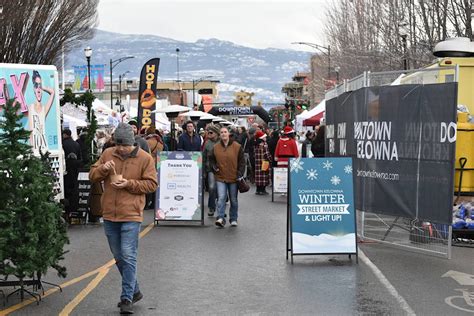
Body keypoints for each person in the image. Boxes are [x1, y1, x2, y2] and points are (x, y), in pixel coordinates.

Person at [89, 123, 158, 314]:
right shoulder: (107, 154)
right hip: (110, 213)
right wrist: (103, 168)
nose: (120, 148)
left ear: (132, 143)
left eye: (124, 145)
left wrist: (128, 184)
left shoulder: (144, 158)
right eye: (117, 144)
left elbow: (152, 184)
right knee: (118, 256)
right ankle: (135, 290)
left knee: (128, 255)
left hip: (131, 213)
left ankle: (126, 297)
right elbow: (92, 175)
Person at [210, 126, 245, 228]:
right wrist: (214, 167)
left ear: (228, 134)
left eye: (225, 132)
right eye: (221, 132)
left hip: (234, 177)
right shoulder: (216, 147)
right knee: (221, 198)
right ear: (219, 135)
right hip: (221, 177)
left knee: (233, 199)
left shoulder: (237, 146)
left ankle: (233, 218)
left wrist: (240, 173)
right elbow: (211, 159)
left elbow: (242, 162)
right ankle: (220, 218)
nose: (223, 134)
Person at [29, 70, 55, 155]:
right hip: (35, 149)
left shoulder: (44, 109)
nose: (39, 90)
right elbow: (30, 131)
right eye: (36, 86)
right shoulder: (31, 108)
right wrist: (32, 149)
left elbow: (52, 93)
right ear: (33, 89)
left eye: (40, 86)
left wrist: (43, 87)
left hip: (44, 148)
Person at [62, 129, 82, 218]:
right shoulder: (76, 144)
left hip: (66, 170)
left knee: (66, 189)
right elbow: (80, 158)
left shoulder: (62, 144)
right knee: (74, 188)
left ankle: (67, 209)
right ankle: (74, 207)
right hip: (75, 170)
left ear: (64, 134)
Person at [202, 124, 220, 216]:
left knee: (221, 189)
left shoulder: (222, 141)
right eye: (208, 132)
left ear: (216, 133)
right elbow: (203, 157)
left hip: (222, 169)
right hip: (210, 169)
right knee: (212, 188)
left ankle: (221, 209)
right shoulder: (207, 143)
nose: (208, 134)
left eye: (211, 132)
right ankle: (211, 207)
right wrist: (203, 171)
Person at [254, 130, 272, 195]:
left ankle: (258, 190)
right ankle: (263, 190)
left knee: (258, 176)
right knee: (264, 176)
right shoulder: (264, 144)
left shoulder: (255, 144)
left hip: (257, 163)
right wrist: (270, 159)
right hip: (264, 162)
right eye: (264, 137)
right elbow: (267, 154)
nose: (265, 138)